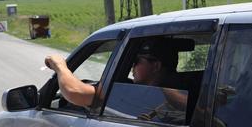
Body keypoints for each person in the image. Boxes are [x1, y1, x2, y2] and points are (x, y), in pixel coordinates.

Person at [44, 38, 182, 107]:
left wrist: (60, 66)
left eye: (136, 60)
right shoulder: (184, 91)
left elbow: (74, 91)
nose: (132, 66)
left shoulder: (130, 93)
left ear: (156, 66)